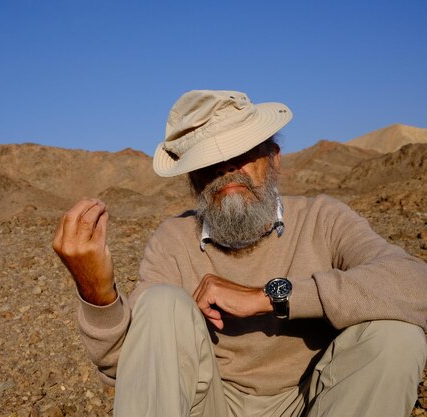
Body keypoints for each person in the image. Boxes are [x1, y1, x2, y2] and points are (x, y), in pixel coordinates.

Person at [52, 90, 427, 417]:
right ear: (193, 179)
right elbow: (133, 372)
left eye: (242, 151)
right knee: (160, 302)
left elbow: (416, 286)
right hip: (212, 404)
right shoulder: (174, 241)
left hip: (314, 401)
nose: (227, 168)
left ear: (274, 157)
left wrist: (269, 297)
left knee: (395, 337)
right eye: (208, 162)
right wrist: (96, 293)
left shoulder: (323, 219)